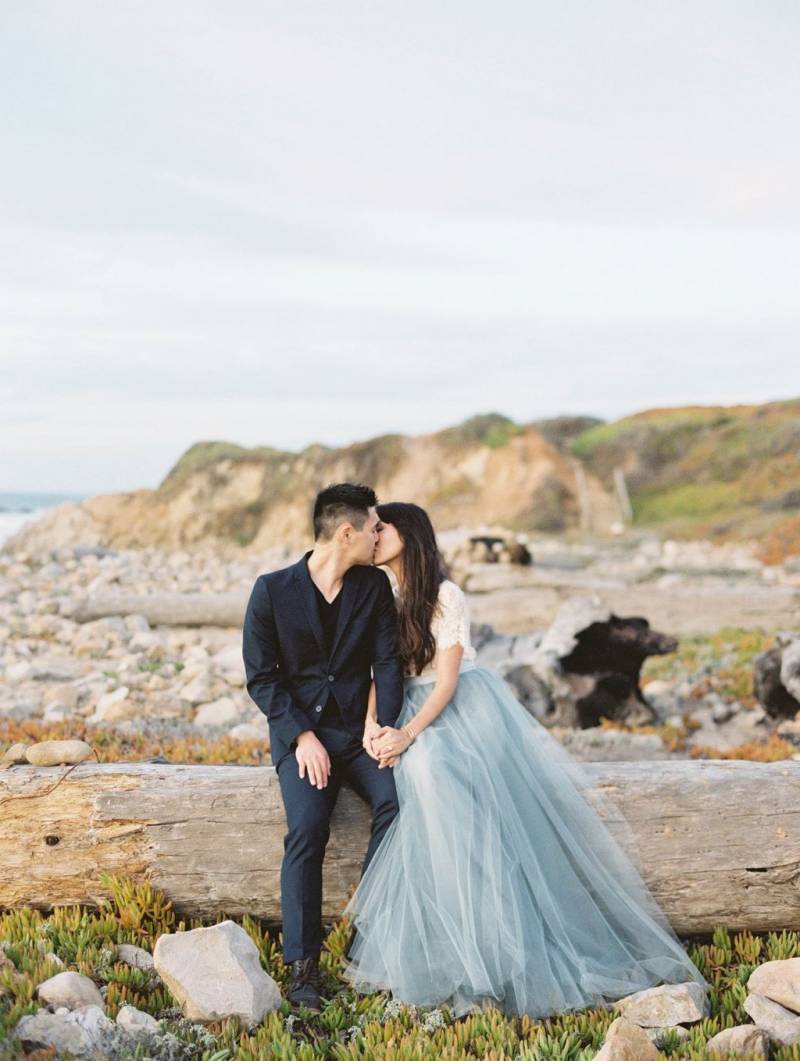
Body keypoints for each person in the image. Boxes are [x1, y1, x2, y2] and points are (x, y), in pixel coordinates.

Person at [342, 501, 709, 1019]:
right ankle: (453, 946)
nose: (372, 535)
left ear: (411, 532)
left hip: (457, 709)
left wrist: (405, 735)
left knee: (431, 772)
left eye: (382, 527)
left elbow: (445, 682)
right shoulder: (380, 594)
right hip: (401, 707)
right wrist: (371, 727)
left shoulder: (445, 596)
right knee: (419, 795)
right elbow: (379, 672)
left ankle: (498, 950)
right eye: (370, 528)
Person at [242, 483, 405, 1012]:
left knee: (395, 805)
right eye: (375, 527)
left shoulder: (374, 587)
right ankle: (303, 969)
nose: (380, 535)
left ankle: (364, 932)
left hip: (359, 734)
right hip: (303, 736)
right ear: (346, 532)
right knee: (307, 830)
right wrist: (302, 737)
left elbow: (388, 662)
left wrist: (382, 724)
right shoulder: (271, 590)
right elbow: (262, 679)